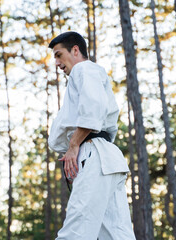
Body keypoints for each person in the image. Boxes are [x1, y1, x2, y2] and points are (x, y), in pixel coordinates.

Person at [48, 31, 136, 240]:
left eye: (59, 55)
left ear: (75, 50)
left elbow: (93, 109)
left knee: (76, 230)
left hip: (93, 155)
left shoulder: (83, 69)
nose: (57, 63)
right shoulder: (89, 74)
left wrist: (73, 145)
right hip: (108, 159)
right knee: (117, 234)